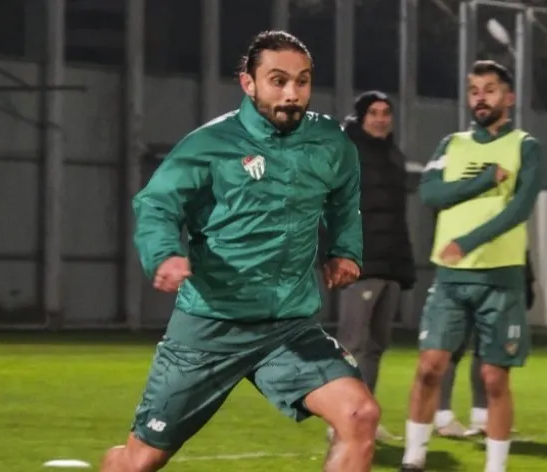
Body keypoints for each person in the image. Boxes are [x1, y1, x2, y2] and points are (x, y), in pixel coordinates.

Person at [102, 30, 379, 472]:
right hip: (210, 328)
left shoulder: (329, 140)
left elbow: (345, 197)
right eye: (278, 80)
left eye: (302, 81)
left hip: (288, 327)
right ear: (248, 83)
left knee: (360, 415)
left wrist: (345, 249)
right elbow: (156, 204)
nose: (292, 93)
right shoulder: (210, 144)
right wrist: (163, 254)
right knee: (140, 461)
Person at [399, 60, 543, 472]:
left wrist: (467, 241)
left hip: (501, 279)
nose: (480, 98)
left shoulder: (526, 146)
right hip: (450, 280)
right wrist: (484, 180)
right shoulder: (451, 144)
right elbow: (430, 194)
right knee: (429, 368)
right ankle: (413, 458)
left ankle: (495, 467)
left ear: (509, 98)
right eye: (474, 90)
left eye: (490, 90)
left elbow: (519, 210)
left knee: (494, 378)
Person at [330, 91, 417, 441]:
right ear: (361, 117)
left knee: (376, 346)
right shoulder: (345, 151)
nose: (381, 119)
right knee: (353, 344)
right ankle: (340, 420)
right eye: (374, 113)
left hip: (389, 264)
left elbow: (398, 219)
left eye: (386, 113)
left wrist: (404, 266)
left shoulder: (394, 155)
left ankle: (364, 415)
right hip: (360, 263)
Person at [433, 252, 536, 438]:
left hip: (501, 280)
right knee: (452, 348)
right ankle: (443, 416)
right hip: (462, 277)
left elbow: (518, 247)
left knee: (488, 350)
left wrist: (527, 280)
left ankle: (482, 415)